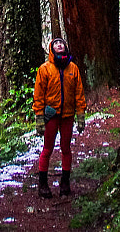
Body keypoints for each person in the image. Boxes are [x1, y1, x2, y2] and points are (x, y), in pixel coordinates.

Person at [31, 36, 86, 197]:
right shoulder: (45, 69)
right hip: (51, 116)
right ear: (51, 49)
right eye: (56, 44)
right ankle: (42, 185)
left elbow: (79, 92)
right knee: (47, 149)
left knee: (66, 148)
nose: (59, 45)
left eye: (61, 43)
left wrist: (81, 114)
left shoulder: (73, 68)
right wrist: (39, 116)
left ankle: (65, 183)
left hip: (68, 115)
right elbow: (39, 94)